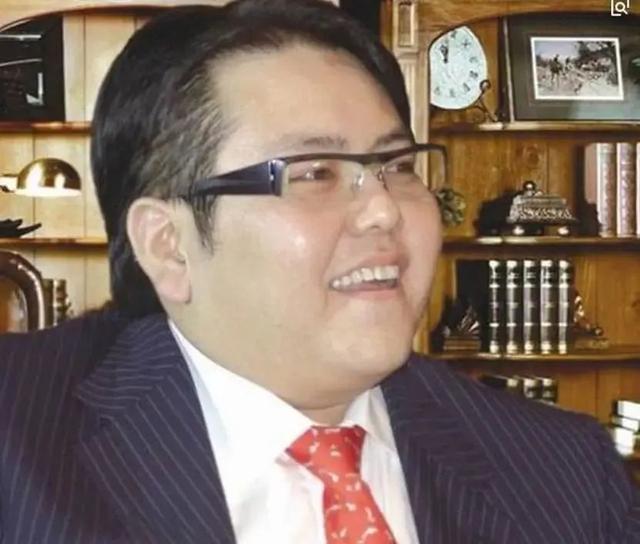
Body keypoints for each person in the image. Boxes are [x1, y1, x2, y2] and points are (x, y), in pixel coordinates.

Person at [1, 1, 639, 543]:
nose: (385, 209)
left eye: (398, 166)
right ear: (169, 245)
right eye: (314, 173)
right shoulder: (19, 439)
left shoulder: (564, 473)